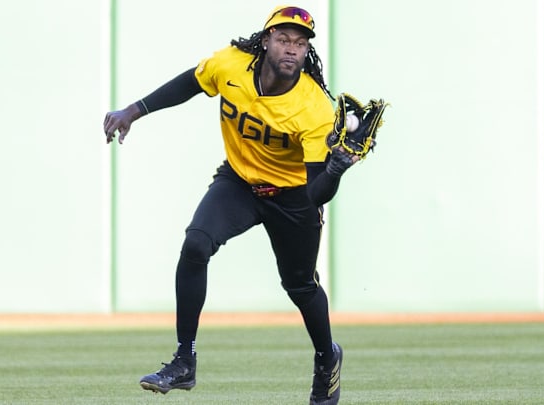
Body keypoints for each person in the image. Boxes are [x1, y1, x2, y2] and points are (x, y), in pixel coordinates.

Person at [103, 6, 361, 405]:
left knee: (299, 286)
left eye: (300, 42)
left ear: (307, 50)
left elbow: (315, 194)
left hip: (293, 196)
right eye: (283, 39)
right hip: (238, 181)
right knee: (195, 245)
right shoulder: (232, 64)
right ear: (265, 40)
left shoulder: (313, 107)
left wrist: (337, 169)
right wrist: (134, 110)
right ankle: (183, 360)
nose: (291, 48)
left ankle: (328, 359)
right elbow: (191, 82)